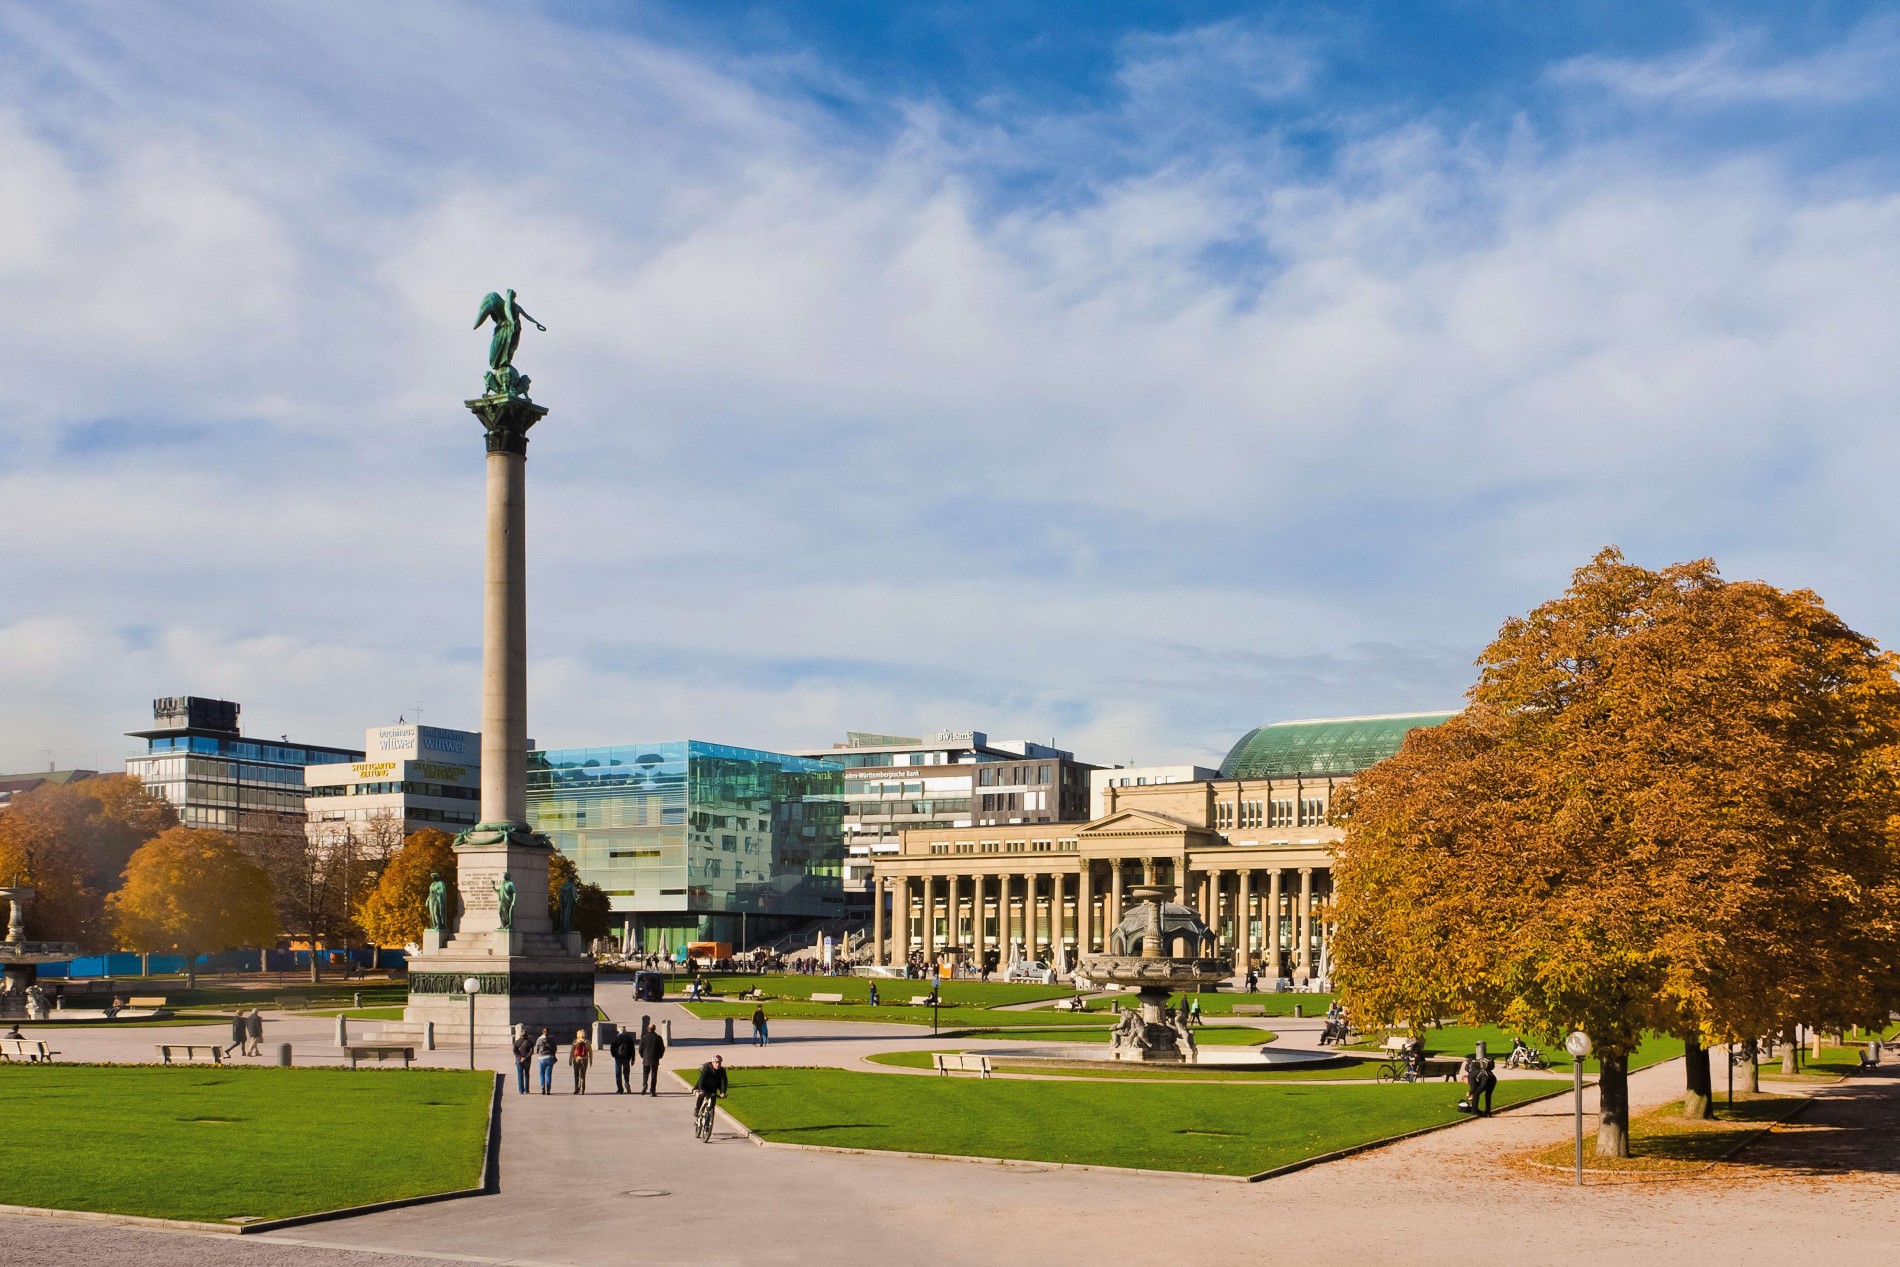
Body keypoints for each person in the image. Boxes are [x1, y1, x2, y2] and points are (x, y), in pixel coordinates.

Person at [692, 1053, 728, 1123]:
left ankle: (708, 1122)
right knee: (702, 1094)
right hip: (704, 1085)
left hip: (713, 1087)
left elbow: (724, 1082)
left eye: (719, 1063)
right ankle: (697, 1109)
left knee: (712, 1104)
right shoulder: (707, 1068)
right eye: (716, 1063)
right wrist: (700, 1089)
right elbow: (701, 1079)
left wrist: (723, 1092)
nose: (718, 1065)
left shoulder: (722, 1070)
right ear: (713, 1063)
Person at [638, 1018, 666, 1095]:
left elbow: (640, 1048)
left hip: (646, 1058)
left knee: (645, 1073)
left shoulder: (644, 1037)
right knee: (654, 1074)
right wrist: (660, 1056)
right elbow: (662, 1048)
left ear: (648, 1029)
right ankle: (652, 1091)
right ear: (655, 1029)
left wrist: (642, 1056)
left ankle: (645, 1084)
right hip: (655, 1058)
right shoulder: (658, 1037)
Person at [610, 1025, 637, 1093]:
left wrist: (614, 1055)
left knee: (618, 1072)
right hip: (626, 1057)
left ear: (619, 1031)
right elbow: (632, 1049)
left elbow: (612, 1047)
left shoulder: (616, 1038)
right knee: (626, 1071)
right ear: (625, 1030)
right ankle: (626, 1082)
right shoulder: (629, 1038)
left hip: (618, 1057)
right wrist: (633, 1058)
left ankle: (620, 1089)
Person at [512, 1025, 535, 1095]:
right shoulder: (529, 1042)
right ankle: (527, 1089)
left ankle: (521, 1090)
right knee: (527, 1074)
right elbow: (531, 1051)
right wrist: (526, 1057)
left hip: (519, 1060)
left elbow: (514, 1051)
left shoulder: (516, 1042)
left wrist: (519, 1057)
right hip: (527, 1060)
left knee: (520, 1075)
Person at [534, 1028, 556, 1094]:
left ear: (542, 1032)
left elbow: (537, 1049)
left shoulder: (539, 1039)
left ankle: (543, 1087)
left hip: (541, 1058)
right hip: (549, 1057)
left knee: (541, 1073)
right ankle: (548, 1089)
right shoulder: (552, 1039)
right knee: (548, 1074)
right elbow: (555, 1048)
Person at [569, 1029, 590, 1094]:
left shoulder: (575, 1041)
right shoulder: (587, 1042)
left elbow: (572, 1051)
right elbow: (591, 1052)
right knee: (583, 1075)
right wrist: (591, 1060)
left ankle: (576, 1089)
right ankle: (582, 1089)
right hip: (584, 1060)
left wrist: (570, 1059)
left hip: (576, 1060)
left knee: (576, 1074)